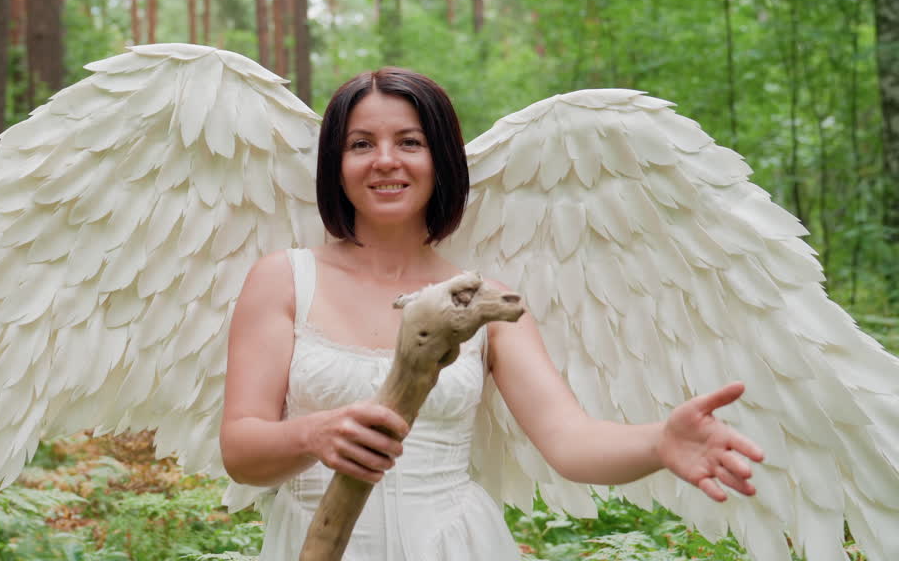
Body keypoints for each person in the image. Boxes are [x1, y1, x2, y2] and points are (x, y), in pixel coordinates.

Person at [219, 68, 766, 560]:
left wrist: (658, 443)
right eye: (361, 144)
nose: (385, 159)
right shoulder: (284, 280)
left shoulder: (484, 303)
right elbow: (241, 449)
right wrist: (313, 435)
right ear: (335, 167)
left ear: (441, 161)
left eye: (410, 142)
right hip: (314, 543)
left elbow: (569, 441)